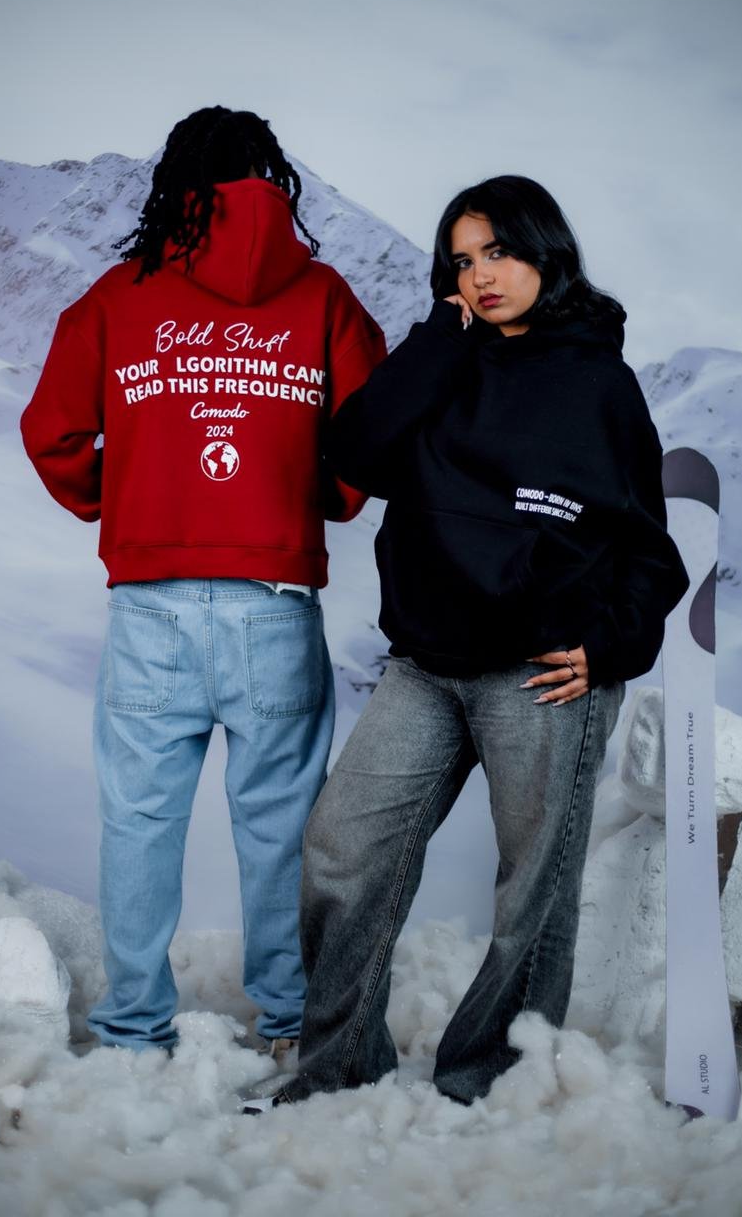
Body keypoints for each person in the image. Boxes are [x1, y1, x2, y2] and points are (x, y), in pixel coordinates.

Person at [246, 174, 688, 1110]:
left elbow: (652, 554)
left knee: (533, 891)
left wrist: (607, 646)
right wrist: (436, 341)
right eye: (461, 261)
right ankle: (338, 1071)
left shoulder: (599, 386)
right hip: (424, 665)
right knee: (340, 850)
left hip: (540, 674)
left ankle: (483, 1084)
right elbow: (354, 454)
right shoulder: (444, 360)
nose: (481, 275)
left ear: (544, 252)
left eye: (498, 251)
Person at [21, 106, 386, 1055]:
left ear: (175, 184)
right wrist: (316, 498)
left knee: (140, 822)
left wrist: (129, 498)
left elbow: (51, 432)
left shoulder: (119, 294)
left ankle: (135, 1031)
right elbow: (374, 434)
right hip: (275, 606)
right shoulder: (324, 296)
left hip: (154, 603)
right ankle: (293, 1026)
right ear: (272, 180)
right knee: (282, 828)